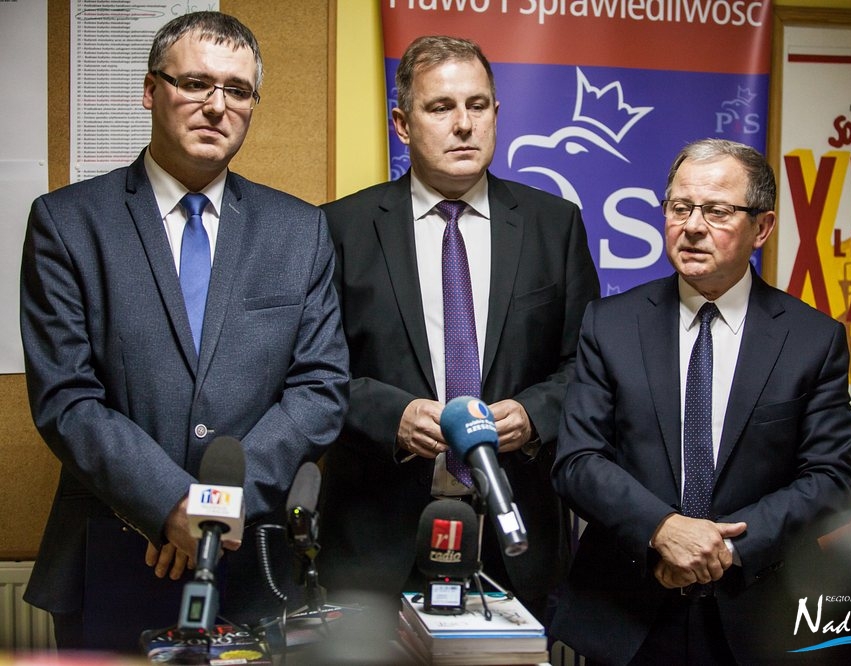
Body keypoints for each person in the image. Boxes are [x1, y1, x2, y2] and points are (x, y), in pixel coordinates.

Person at [19, 12, 349, 651]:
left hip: (254, 561)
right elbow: (66, 396)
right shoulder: (68, 223)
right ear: (151, 90)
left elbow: (320, 388)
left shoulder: (299, 230)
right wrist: (169, 501)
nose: (217, 106)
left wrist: (219, 502)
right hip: (114, 555)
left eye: (238, 90)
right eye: (195, 83)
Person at [317, 35, 599, 622]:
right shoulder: (340, 228)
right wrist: (392, 417)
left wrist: (533, 415)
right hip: (377, 536)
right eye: (441, 107)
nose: (464, 124)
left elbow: (587, 366)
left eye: (477, 105)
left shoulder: (555, 226)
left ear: (496, 113)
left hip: (515, 534)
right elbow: (314, 373)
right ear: (402, 124)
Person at [550, 138, 851, 664]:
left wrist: (724, 549)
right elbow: (577, 461)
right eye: (680, 208)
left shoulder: (812, 340)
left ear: (762, 228)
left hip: (758, 618)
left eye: (717, 211)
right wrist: (662, 529)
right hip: (625, 615)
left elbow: (834, 481)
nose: (693, 226)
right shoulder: (610, 325)